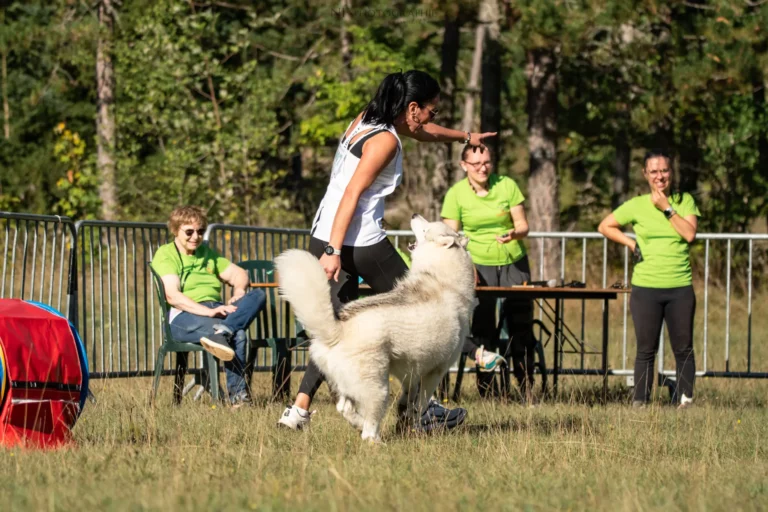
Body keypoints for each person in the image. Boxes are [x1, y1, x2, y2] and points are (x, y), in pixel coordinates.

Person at [277, 69, 497, 431]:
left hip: (325, 232)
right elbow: (352, 194)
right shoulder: (386, 142)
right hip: (356, 241)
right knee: (425, 308)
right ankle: (423, 412)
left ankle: (298, 410)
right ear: (412, 108)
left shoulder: (365, 120)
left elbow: (423, 133)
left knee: (336, 328)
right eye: (431, 110)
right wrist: (334, 250)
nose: (431, 119)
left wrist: (466, 136)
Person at [598, 150, 700, 409]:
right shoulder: (636, 204)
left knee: (683, 348)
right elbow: (605, 226)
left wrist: (666, 208)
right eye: (653, 171)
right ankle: (640, 403)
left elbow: (689, 234)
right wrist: (630, 244)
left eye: (664, 170)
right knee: (646, 348)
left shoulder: (684, 201)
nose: (660, 176)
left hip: (679, 287)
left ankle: (685, 401)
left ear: (671, 172)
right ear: (645, 174)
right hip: (646, 288)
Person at [441, 145, 537, 400]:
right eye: (476, 164)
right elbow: (450, 236)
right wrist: (465, 264)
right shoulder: (456, 194)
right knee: (483, 326)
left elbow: (523, 225)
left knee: (520, 325)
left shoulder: (507, 185)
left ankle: (527, 387)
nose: (483, 168)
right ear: (464, 166)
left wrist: (515, 233)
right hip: (477, 264)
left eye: (487, 162)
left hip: (513, 261)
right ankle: (487, 389)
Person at [151, 205, 267, 406]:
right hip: (183, 316)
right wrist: (209, 311)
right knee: (238, 334)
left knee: (257, 295)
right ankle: (238, 397)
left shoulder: (207, 253)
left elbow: (239, 274)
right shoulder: (166, 254)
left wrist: (238, 291)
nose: (196, 237)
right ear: (175, 230)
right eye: (189, 232)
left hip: (216, 312)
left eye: (200, 232)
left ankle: (224, 331)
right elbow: (173, 296)